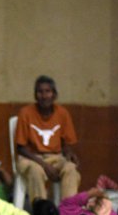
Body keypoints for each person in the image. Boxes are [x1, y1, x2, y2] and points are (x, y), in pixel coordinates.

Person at [15, 75, 82, 204]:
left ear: (54, 95)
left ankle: (68, 212)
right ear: (35, 95)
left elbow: (66, 143)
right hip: (31, 158)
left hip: (56, 157)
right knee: (36, 170)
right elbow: (21, 148)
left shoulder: (62, 113)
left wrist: (69, 154)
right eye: (40, 92)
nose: (44, 96)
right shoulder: (25, 113)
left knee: (71, 169)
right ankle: (42, 214)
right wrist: (44, 164)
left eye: (48, 91)